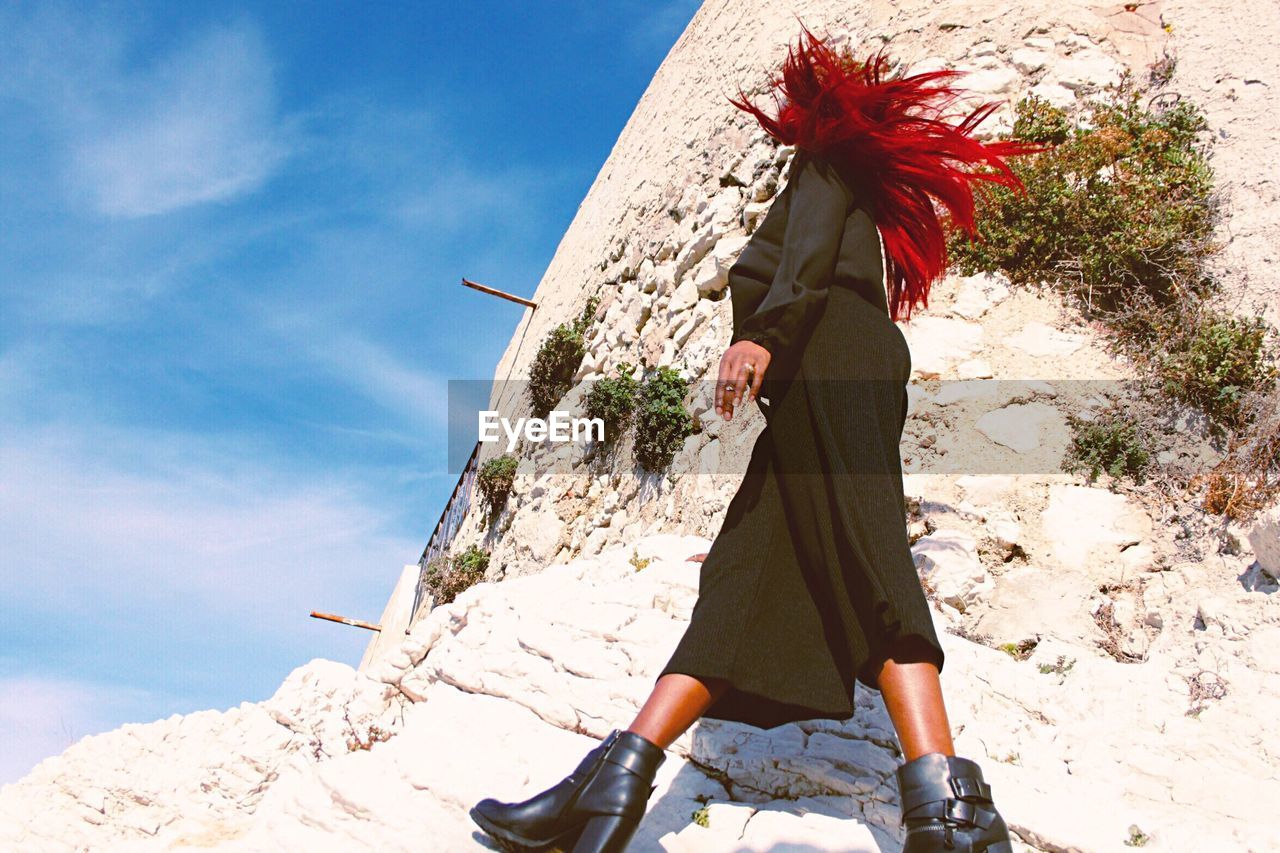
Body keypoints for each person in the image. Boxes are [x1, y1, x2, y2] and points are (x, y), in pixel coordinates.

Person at [470, 22, 1035, 853]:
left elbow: (802, 256)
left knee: (869, 557)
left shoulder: (825, 161)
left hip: (826, 352)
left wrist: (762, 333)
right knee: (740, 583)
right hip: (826, 367)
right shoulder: (848, 189)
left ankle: (949, 809)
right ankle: (609, 789)